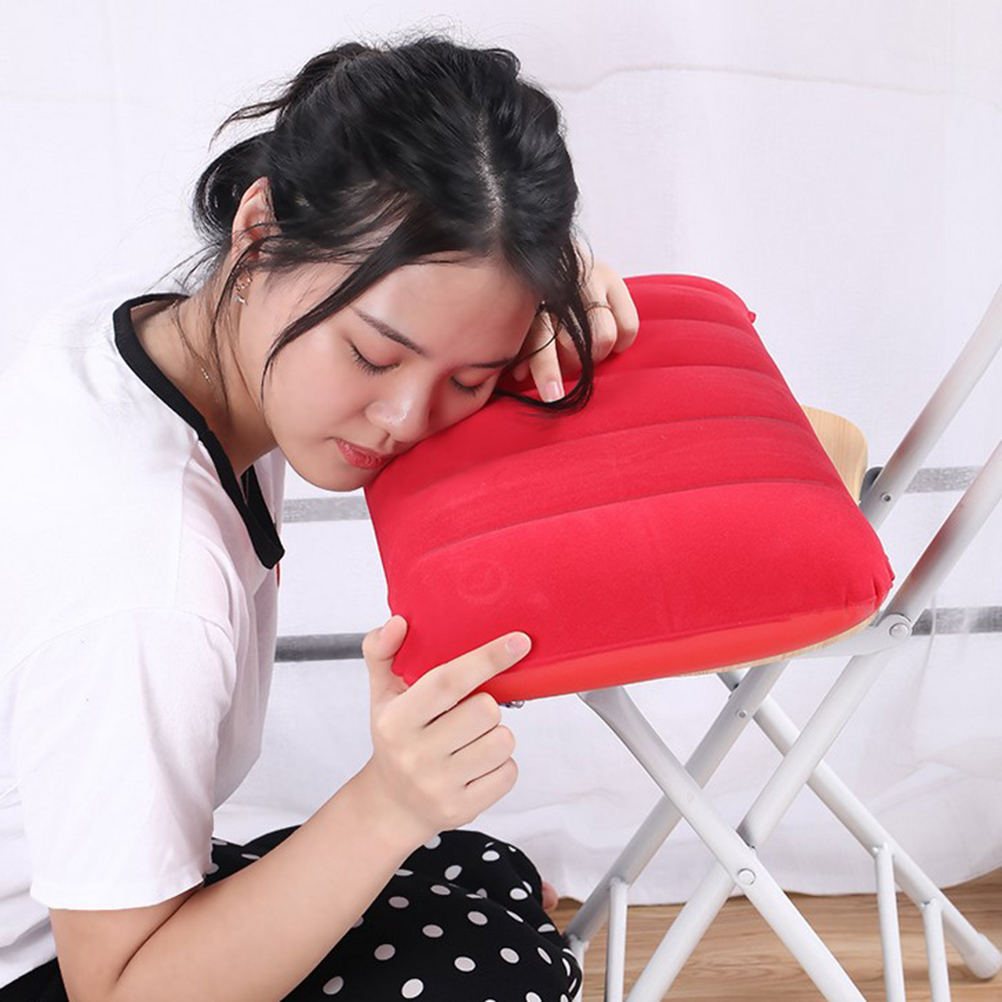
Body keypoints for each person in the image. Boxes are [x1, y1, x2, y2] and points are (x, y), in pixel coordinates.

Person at [0, 30, 640, 1002]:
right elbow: (120, 993)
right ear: (259, 230)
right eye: (374, 356)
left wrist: (532, 284)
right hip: (64, 962)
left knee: (485, 875)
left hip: (76, 891)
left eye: (468, 377)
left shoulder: (149, 338)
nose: (404, 418)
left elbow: (438, 282)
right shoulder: (147, 575)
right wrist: (386, 803)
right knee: (497, 973)